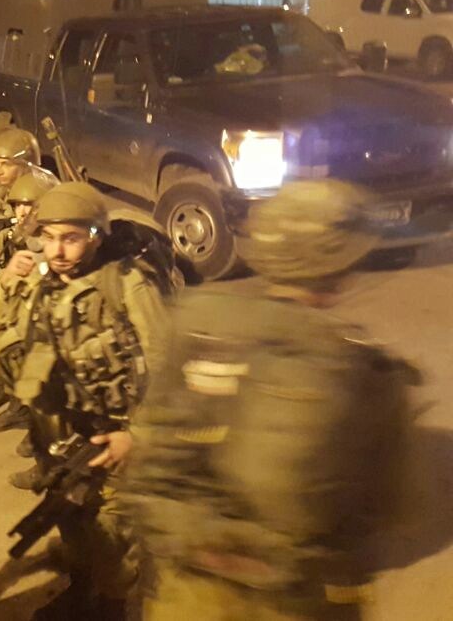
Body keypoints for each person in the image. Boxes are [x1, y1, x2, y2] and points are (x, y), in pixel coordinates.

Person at [123, 179, 416, 621]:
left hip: (191, 590)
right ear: (344, 269)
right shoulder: (363, 368)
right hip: (295, 598)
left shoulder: (197, 322)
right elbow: (389, 507)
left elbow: (150, 456)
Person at [0, 181, 169, 620]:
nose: (57, 250)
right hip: (58, 433)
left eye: (70, 238)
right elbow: (10, 325)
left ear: (96, 236)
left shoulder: (126, 285)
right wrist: (9, 279)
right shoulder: (41, 277)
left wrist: (136, 435)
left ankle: (111, 608)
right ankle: (79, 591)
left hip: (111, 436)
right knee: (71, 519)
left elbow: (166, 367)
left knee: (111, 534)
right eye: (49, 237)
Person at [0, 129, 54, 432]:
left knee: (29, 351)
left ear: (25, 163)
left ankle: (26, 412)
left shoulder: (44, 193)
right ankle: (6, 392)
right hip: (6, 279)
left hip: (33, 281)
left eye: (6, 164)